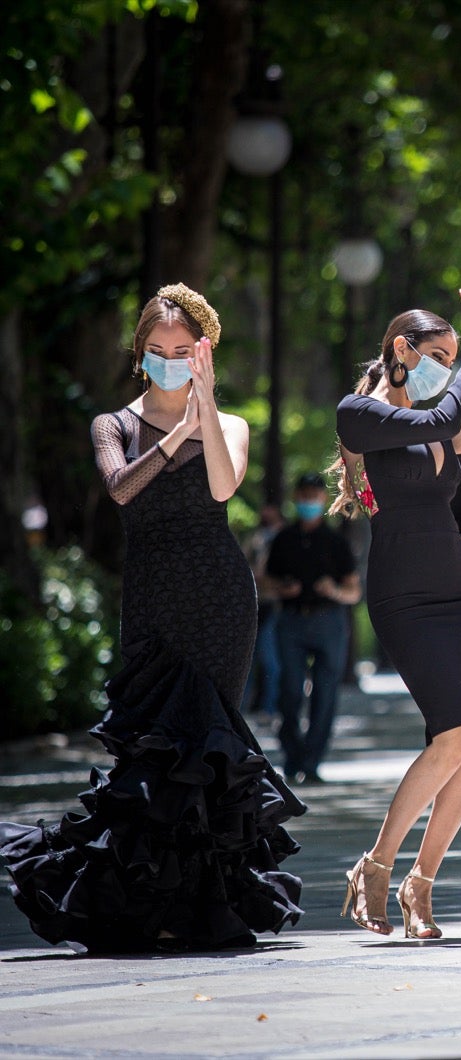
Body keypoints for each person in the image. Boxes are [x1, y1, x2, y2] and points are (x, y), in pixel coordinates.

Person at [0, 284, 303, 951]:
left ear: (203, 353)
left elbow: (224, 488)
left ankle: (198, 903)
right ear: (141, 355)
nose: (168, 360)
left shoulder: (231, 425)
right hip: (152, 599)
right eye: (157, 351)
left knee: (208, 743)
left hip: (220, 597)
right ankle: (138, 898)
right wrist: (177, 436)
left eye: (182, 351)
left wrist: (205, 411)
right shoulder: (114, 423)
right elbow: (122, 492)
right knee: (150, 740)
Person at [329, 261, 461, 939]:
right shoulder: (362, 418)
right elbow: (446, 410)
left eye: (452, 358)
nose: (446, 369)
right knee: (451, 735)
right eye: (435, 357)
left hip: (459, 592)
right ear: (400, 351)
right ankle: (376, 868)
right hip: (404, 597)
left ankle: (421, 886)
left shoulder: (446, 431)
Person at [267, 471, 361, 783]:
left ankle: (312, 762)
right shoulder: (284, 539)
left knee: (325, 694)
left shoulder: (336, 542)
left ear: (324, 500)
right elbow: (264, 579)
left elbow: (354, 591)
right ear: (296, 497)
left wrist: (333, 590)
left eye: (315, 497)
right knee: (290, 690)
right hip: (292, 621)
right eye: (304, 496)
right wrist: (282, 588)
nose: (309, 502)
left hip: (328, 622)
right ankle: (292, 757)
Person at [242, 503, 285, 715]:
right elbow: (244, 565)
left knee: (272, 661)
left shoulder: (287, 536)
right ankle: (243, 708)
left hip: (279, 605)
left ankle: (270, 707)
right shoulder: (256, 538)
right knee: (248, 661)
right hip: (256, 604)